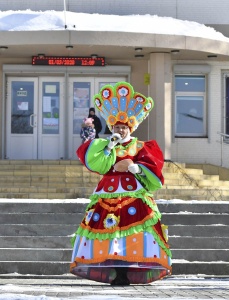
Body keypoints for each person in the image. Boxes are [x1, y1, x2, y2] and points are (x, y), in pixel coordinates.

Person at [70, 81, 172, 285]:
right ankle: (115, 270)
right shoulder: (107, 145)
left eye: (124, 127)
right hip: (107, 193)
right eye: (117, 126)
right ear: (112, 127)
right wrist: (109, 146)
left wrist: (134, 168)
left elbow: (153, 172)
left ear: (130, 128)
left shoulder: (141, 146)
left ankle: (127, 271)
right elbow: (97, 164)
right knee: (110, 233)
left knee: (131, 233)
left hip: (133, 195)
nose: (120, 130)